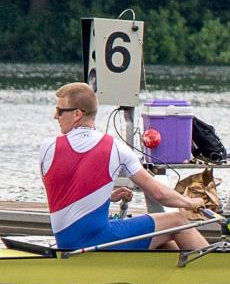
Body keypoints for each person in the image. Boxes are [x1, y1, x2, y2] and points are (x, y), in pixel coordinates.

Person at [41, 82, 207, 252]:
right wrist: (190, 202)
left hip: (65, 241)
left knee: (161, 236)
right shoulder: (116, 147)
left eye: (60, 111)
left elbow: (64, 192)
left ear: (77, 114)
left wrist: (106, 197)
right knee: (177, 221)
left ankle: (174, 274)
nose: (56, 116)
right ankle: (214, 269)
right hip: (94, 240)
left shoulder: (47, 147)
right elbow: (159, 193)